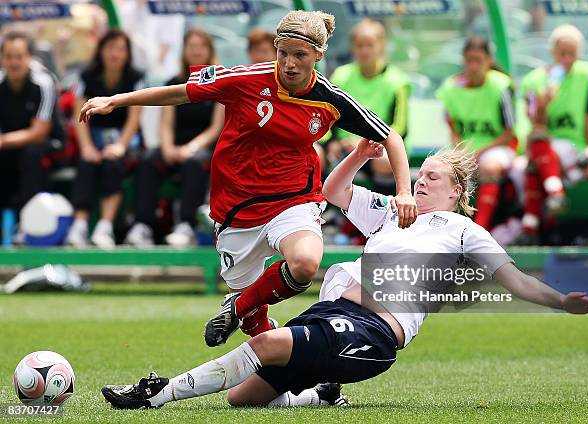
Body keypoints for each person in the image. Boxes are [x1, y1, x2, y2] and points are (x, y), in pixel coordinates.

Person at [99, 139, 588, 410]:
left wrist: (562, 302)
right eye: (420, 173)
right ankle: (320, 390)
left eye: (432, 177)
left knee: (271, 347)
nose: (421, 180)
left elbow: (515, 281)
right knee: (241, 400)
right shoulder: (393, 212)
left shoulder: (459, 229)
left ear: (455, 193)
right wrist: (361, 156)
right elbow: (333, 193)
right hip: (334, 312)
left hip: (374, 333)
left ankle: (156, 392)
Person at [79, 10, 417, 346]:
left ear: (318, 54)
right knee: (257, 330)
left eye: (300, 55)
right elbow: (180, 92)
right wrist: (115, 100)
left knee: (305, 262)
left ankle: (237, 307)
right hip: (236, 209)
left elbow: (391, 137)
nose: (289, 63)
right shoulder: (246, 79)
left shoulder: (329, 99)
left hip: (293, 200)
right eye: (283, 53)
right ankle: (272, 361)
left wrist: (404, 191)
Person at [125, 29, 224, 247]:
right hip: (174, 147)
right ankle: (143, 226)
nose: (196, 51)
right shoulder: (174, 81)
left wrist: (192, 147)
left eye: (201, 46)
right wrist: (168, 148)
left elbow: (216, 128)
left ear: (209, 51)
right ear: (184, 51)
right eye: (191, 46)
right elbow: (166, 123)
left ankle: (186, 225)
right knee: (148, 159)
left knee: (195, 161)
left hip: (202, 149)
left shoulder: (220, 84)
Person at [516, 24, 588, 244]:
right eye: (562, 53)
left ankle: (531, 226)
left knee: (536, 164)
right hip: (545, 146)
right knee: (538, 143)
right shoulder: (534, 80)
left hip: (572, 146)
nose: (566, 59)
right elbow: (535, 123)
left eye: (571, 54)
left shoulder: (587, 74)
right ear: (552, 52)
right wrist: (544, 103)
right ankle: (553, 200)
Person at [65, 29, 145, 249]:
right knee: (87, 164)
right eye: (110, 48)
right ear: (101, 51)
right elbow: (77, 115)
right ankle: (79, 226)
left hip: (125, 142)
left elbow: (135, 118)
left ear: (127, 54)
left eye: (120, 49)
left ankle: (105, 226)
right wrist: (87, 147)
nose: (115, 54)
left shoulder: (136, 78)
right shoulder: (86, 77)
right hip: (93, 140)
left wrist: (120, 146)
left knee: (113, 164)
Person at [436, 36, 517, 234]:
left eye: (478, 60)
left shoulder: (501, 86)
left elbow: (509, 134)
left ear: (488, 61)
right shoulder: (450, 88)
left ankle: (480, 229)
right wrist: (462, 152)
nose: (473, 66)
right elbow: (453, 127)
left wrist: (479, 152)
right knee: (440, 171)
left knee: (490, 166)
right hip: (466, 150)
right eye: (469, 60)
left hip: (498, 148)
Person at [324, 18, 410, 195]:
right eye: (359, 45)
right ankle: (329, 215)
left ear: (381, 45)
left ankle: (383, 214)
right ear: (353, 47)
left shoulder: (398, 82)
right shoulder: (340, 76)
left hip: (378, 149)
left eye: (370, 45)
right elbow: (326, 115)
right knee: (315, 155)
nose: (364, 50)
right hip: (343, 149)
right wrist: (332, 142)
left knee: (385, 162)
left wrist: (364, 143)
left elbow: (400, 127)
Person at [0, 31, 63, 223]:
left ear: (29, 57)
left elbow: (39, 133)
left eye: (19, 56)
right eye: (8, 57)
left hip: (49, 145)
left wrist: (3, 140)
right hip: (9, 146)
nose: (14, 63)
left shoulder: (43, 82)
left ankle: (28, 224)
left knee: (31, 154)